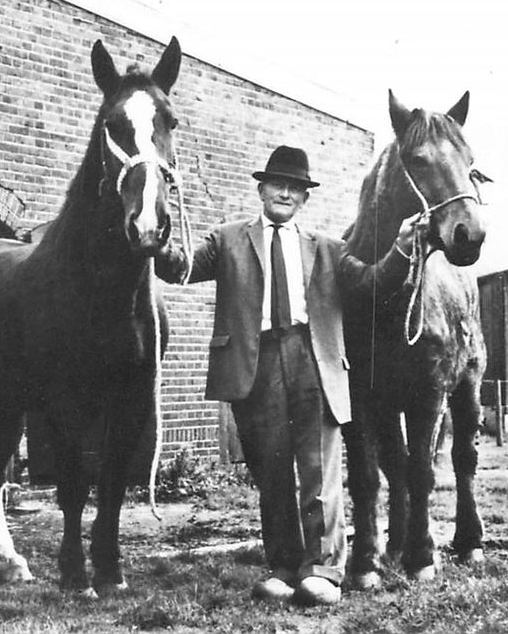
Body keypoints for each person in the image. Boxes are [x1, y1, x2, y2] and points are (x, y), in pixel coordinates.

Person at [155, 145, 419, 606]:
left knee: (320, 468)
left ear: (305, 199)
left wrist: (403, 248)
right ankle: (282, 565)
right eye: (278, 184)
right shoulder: (228, 239)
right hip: (255, 362)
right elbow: (180, 269)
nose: (286, 193)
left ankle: (321, 570)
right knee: (272, 471)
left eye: (295, 188)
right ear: (261, 189)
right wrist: (156, 228)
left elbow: (374, 282)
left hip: (313, 358)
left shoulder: (329, 249)